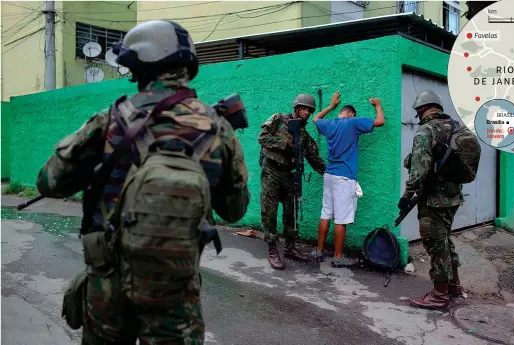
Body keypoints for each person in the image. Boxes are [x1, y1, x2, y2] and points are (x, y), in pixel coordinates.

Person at [36, 20, 250, 344]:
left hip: (108, 288)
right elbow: (235, 210)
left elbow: (49, 183)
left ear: (143, 63)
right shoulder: (219, 128)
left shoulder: (112, 119)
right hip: (175, 292)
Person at [400, 90, 464, 310]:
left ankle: (439, 295)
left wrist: (407, 197)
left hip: (434, 199)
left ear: (421, 110)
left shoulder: (426, 131)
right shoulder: (456, 128)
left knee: (435, 244)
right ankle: (454, 286)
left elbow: (419, 170)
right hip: (453, 197)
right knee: (445, 239)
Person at [310, 91, 385, 267]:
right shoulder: (353, 122)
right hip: (344, 178)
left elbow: (315, 119)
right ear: (352, 114)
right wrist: (378, 105)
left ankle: (319, 251)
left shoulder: (330, 124)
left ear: (340, 112)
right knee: (341, 218)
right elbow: (380, 122)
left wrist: (330, 106)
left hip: (329, 175)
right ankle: (338, 257)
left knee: (325, 214)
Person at [258, 93, 326, 270]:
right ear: (296, 108)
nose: (307, 113)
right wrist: (285, 145)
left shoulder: (303, 135)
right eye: (304, 109)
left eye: (310, 110)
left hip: (288, 174)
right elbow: (262, 138)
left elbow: (313, 157)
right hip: (271, 171)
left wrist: (329, 173)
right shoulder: (278, 119)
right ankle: (273, 250)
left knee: (291, 212)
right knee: (269, 211)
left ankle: (290, 247)